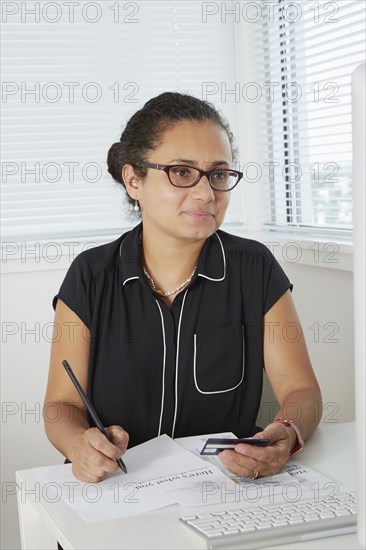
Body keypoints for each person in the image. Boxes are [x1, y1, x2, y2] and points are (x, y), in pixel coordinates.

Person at [44, 92, 322, 484]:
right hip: (119, 486)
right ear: (133, 179)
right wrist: (78, 445)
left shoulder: (253, 267)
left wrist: (288, 433)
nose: (207, 193)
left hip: (226, 486)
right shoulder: (91, 275)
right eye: (182, 172)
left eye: (219, 174)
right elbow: (61, 405)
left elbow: (301, 389)